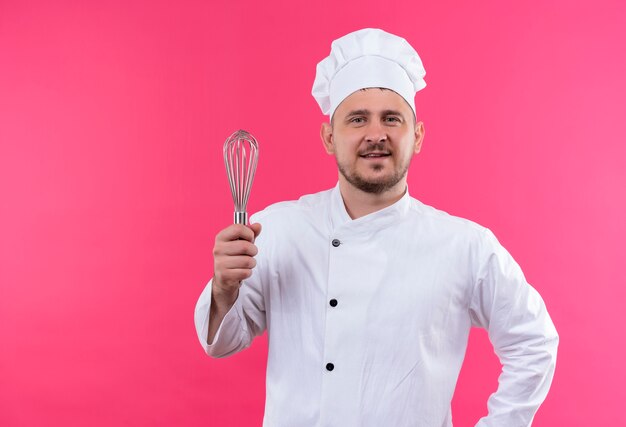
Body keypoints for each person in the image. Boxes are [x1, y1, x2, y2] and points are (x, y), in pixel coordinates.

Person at [195, 28, 558, 427]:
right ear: (329, 137)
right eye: (357, 119)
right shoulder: (279, 229)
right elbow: (222, 344)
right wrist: (224, 288)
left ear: (416, 136)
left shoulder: (465, 246)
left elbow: (534, 342)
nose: (375, 134)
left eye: (392, 118)